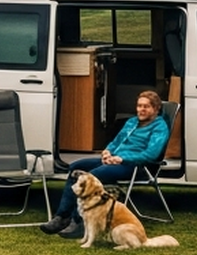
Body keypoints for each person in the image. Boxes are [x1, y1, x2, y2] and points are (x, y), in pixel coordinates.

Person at [39, 89, 168, 238]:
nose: (141, 110)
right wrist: (107, 151)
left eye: (146, 107)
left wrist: (122, 159)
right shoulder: (132, 122)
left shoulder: (160, 127)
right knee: (77, 167)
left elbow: (151, 154)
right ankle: (62, 217)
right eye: (139, 106)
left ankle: (79, 221)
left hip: (135, 166)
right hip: (114, 160)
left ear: (156, 109)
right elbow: (116, 142)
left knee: (91, 177)